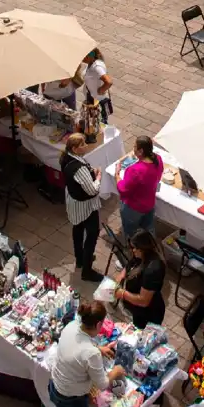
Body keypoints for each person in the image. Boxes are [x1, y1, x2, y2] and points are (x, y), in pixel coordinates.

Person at [49, 301, 125, 407]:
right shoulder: (91, 354)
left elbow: (77, 348)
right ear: (99, 324)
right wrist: (116, 371)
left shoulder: (72, 326)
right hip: (70, 400)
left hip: (55, 385)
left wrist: (99, 348)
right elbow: (102, 384)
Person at [60, 134, 103, 282]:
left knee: (77, 228)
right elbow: (92, 190)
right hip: (85, 206)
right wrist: (98, 177)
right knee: (92, 234)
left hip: (74, 202)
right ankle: (87, 270)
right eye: (82, 144)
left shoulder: (66, 158)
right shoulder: (79, 168)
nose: (86, 145)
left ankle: (80, 259)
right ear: (75, 149)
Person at [113, 230, 167, 329]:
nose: (133, 251)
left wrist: (122, 293)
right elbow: (130, 265)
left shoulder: (153, 269)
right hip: (136, 310)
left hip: (148, 315)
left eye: (134, 248)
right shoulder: (140, 255)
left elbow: (144, 300)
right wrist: (122, 275)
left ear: (143, 248)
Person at [115, 136, 163, 239]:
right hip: (149, 204)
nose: (133, 149)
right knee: (149, 230)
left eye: (135, 147)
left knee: (131, 234)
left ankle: (133, 251)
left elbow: (123, 189)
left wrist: (117, 175)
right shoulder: (158, 159)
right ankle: (150, 249)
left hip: (133, 208)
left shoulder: (135, 170)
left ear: (141, 151)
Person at [81, 48, 113, 120]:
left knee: (98, 124)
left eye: (83, 56)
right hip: (92, 99)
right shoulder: (91, 63)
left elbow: (109, 82)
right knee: (91, 122)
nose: (82, 58)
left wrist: (101, 90)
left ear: (90, 56)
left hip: (98, 101)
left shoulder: (97, 67)